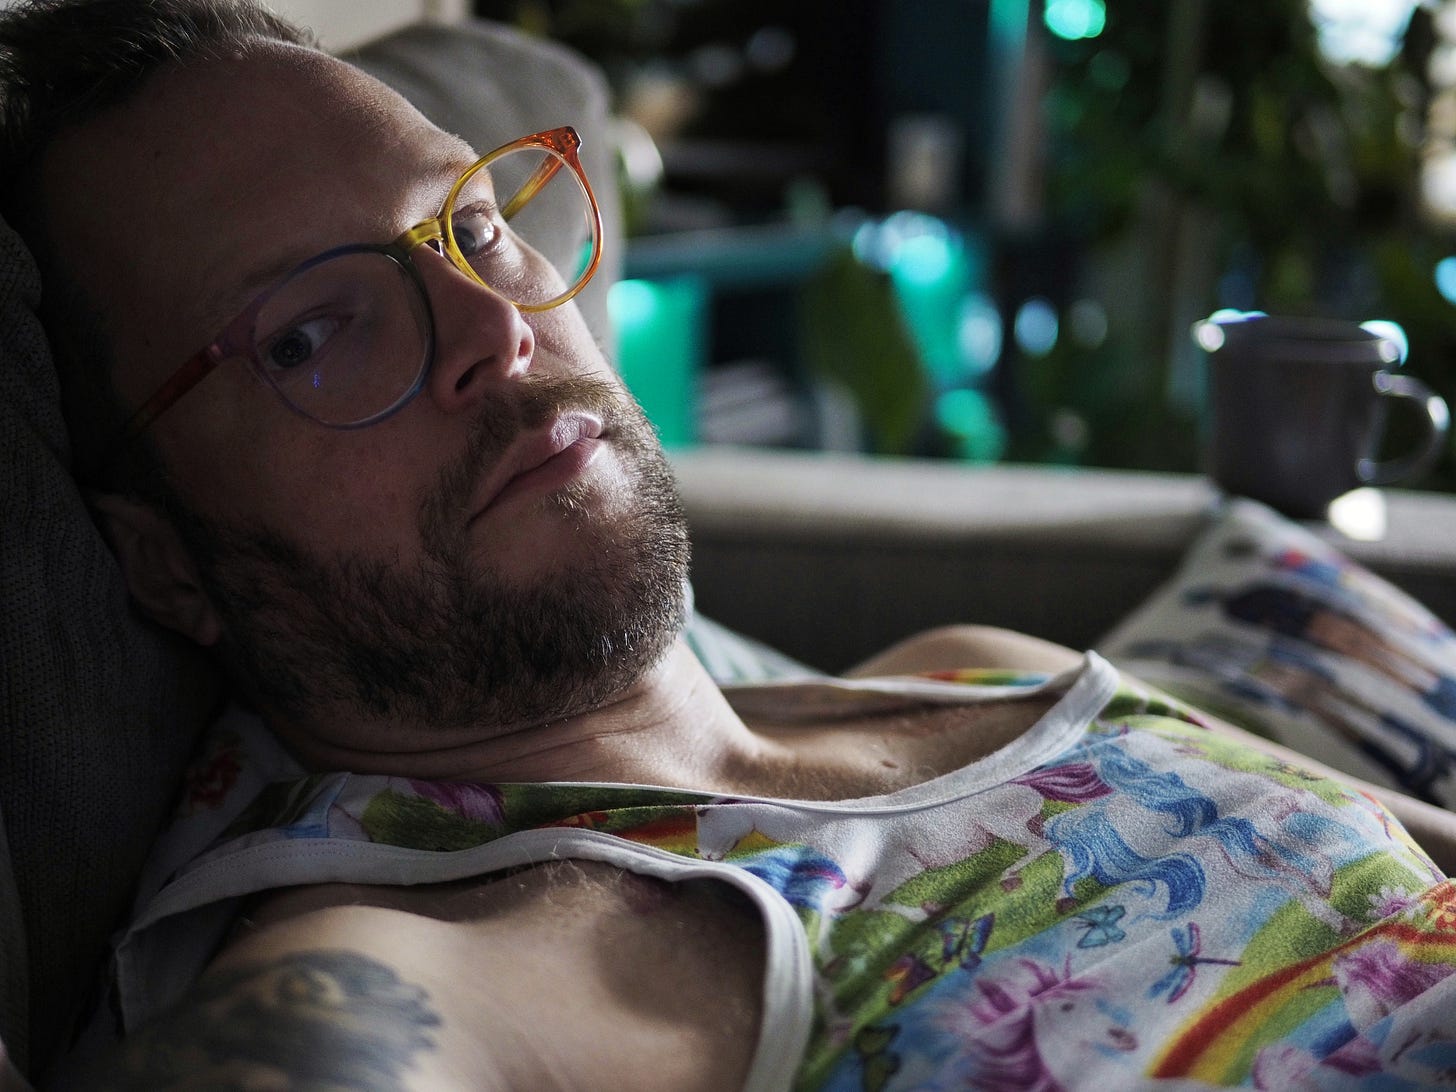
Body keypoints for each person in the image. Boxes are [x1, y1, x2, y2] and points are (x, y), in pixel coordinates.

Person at [1, 1, 1453, 1087]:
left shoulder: (990, 674)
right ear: (165, 563)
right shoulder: (516, 941)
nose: (495, 330)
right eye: (312, 333)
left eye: (474, 226)